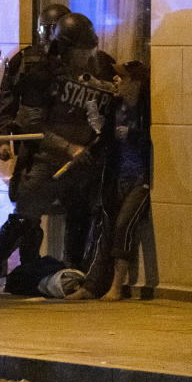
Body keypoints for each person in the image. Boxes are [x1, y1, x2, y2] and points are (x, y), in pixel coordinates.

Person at [0, 12, 116, 296]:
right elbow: (31, 121)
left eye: (88, 49)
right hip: (47, 156)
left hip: (84, 158)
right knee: (26, 214)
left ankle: (72, 270)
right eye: (80, 51)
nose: (86, 56)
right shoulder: (39, 70)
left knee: (79, 214)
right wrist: (66, 147)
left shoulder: (99, 65)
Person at [0, 4, 70, 267]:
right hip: (35, 145)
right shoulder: (24, 60)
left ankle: (31, 269)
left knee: (64, 211)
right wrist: (3, 139)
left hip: (67, 145)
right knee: (26, 212)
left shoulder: (78, 60)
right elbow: (6, 103)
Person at [67, 60, 151, 301]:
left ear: (136, 83)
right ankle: (92, 286)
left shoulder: (145, 109)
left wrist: (134, 133)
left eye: (123, 78)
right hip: (117, 177)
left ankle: (116, 286)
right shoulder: (117, 106)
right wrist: (92, 108)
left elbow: (150, 139)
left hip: (140, 178)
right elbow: (102, 134)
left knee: (124, 225)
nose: (117, 81)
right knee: (105, 226)